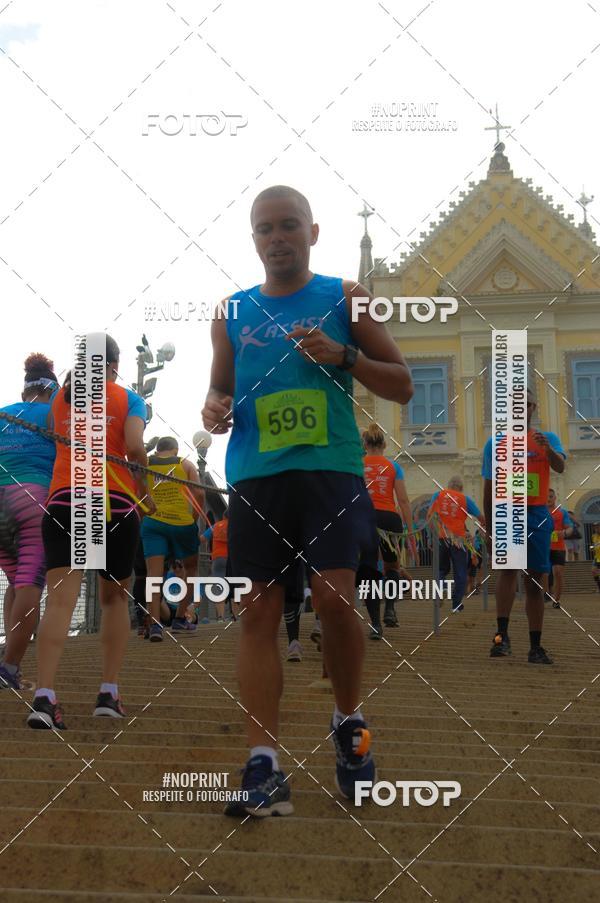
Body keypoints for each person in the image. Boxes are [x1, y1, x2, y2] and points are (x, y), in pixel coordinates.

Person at [202, 184, 413, 816]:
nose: (277, 239)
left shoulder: (345, 297)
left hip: (330, 471)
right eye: (265, 230)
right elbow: (218, 391)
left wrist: (344, 354)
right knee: (258, 615)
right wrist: (212, 409)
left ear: (313, 233)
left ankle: (348, 722)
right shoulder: (231, 312)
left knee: (335, 599)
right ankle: (262, 764)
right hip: (256, 479)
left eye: (289, 226)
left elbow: (401, 384)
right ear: (254, 240)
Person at [27, 336, 154, 729]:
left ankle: (45, 696)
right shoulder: (127, 398)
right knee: (114, 599)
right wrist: (145, 487)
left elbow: (54, 436)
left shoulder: (61, 398)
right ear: (114, 363)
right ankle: (108, 693)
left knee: (61, 600)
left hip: (66, 499)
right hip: (114, 501)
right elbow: (134, 446)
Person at [483, 388, 566, 665]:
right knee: (507, 573)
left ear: (533, 407)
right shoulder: (495, 443)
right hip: (507, 513)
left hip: (538, 514)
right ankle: (501, 638)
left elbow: (561, 467)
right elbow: (489, 488)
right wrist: (490, 529)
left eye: (525, 403)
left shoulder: (547, 438)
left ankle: (535, 647)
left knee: (534, 581)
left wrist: (549, 450)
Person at [0, 354, 58, 690]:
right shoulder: (54, 413)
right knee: (30, 584)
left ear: (26, 390)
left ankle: (9, 659)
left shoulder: (4, 413)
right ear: (53, 389)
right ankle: (9, 668)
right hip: (32, 498)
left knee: (14, 581)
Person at [140, 437, 205, 641]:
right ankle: (179, 619)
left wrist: (145, 518)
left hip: (153, 521)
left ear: (158, 450)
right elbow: (200, 493)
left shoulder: (146, 463)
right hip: (182, 523)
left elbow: (138, 493)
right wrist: (193, 519)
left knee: (153, 573)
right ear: (175, 449)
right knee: (191, 569)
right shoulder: (184, 463)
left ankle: (155, 624)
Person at [362, 423, 416, 632]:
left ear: (365, 444)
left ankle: (375, 623)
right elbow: (403, 500)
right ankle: (390, 609)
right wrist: (410, 530)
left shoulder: (358, 464)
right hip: (390, 519)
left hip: (365, 518)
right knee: (392, 567)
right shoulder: (394, 466)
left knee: (367, 570)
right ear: (384, 444)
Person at [426, 476, 485, 612]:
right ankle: (456, 604)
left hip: (442, 537)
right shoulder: (465, 499)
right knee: (460, 572)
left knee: (441, 569)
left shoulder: (438, 495)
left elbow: (429, 516)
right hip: (459, 540)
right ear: (461, 488)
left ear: (448, 486)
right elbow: (480, 517)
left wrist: (431, 537)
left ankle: (441, 590)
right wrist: (484, 527)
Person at [544, 488, 573, 610]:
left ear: (555, 498)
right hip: (543, 547)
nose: (549, 499)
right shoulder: (539, 513)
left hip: (558, 547)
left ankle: (556, 599)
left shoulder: (562, 512)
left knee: (558, 573)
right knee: (543, 574)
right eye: (547, 497)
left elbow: (570, 528)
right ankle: (544, 595)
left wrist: (565, 533)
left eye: (551, 496)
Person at [200, 515, 232, 622]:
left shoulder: (215, 526)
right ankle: (237, 617)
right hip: (232, 559)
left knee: (219, 587)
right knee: (235, 586)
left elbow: (202, 539)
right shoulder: (235, 525)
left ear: (223, 516)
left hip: (218, 559)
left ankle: (220, 617)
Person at [591, 524, 600, 593]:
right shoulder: (593, 536)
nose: (596, 529)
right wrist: (592, 548)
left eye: (598, 527)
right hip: (597, 557)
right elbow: (594, 545)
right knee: (594, 571)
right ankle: (598, 586)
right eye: (595, 527)